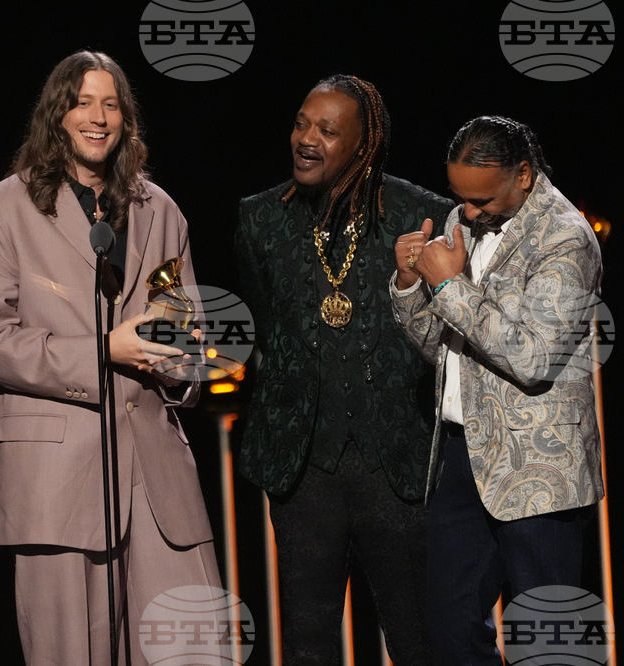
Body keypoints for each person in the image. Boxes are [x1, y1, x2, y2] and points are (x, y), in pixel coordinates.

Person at [0, 50, 220, 665]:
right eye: (82, 102)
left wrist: (183, 361)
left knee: (194, 648)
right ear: (57, 115)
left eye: (111, 104)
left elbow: (187, 330)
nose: (97, 117)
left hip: (158, 478)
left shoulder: (161, 210)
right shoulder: (0, 211)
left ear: (127, 120)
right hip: (55, 479)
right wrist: (105, 350)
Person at [234, 74, 453, 665]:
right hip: (301, 468)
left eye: (327, 131)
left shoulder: (422, 215)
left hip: (397, 464)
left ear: (363, 145)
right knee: (308, 645)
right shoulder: (259, 220)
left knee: (417, 641)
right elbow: (264, 327)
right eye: (302, 123)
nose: (307, 139)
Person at [390, 115, 604, 664]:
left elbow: (531, 358)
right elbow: (447, 351)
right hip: (462, 457)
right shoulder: (466, 220)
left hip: (537, 464)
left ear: (524, 175)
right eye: (460, 198)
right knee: (448, 631)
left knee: (545, 642)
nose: (468, 211)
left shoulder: (565, 237)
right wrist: (413, 288)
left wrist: (447, 284)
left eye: (482, 200)